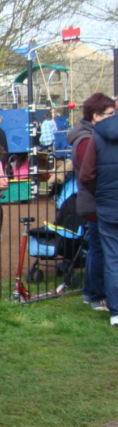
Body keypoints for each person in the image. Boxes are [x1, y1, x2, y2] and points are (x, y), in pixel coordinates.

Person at [67, 93, 115, 312]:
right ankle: (96, 294)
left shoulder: (89, 135)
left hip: (96, 199)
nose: (114, 117)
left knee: (98, 247)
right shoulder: (87, 139)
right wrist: (102, 193)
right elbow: (89, 174)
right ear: (97, 116)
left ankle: (91, 292)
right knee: (99, 249)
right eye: (110, 114)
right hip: (95, 201)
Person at [79, 111, 118, 329]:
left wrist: (101, 194)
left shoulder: (99, 132)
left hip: (108, 206)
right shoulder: (100, 133)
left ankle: (116, 312)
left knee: (112, 259)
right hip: (108, 203)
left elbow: (87, 175)